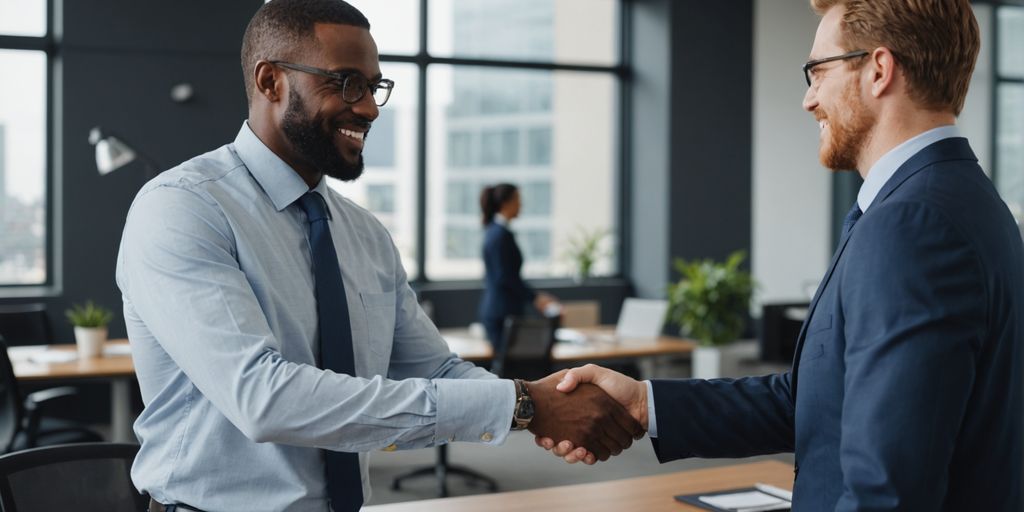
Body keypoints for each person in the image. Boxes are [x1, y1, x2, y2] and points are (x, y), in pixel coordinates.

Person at [116, 1, 642, 511]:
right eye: (345, 83)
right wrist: (522, 405)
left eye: (374, 87)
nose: (368, 108)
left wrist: (533, 402)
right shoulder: (183, 208)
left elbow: (434, 368)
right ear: (271, 81)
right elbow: (263, 398)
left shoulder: (363, 234)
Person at [540, 1, 1023, 510]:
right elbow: (822, 401)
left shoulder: (911, 225)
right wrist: (645, 404)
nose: (809, 99)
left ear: (879, 70)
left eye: (818, 71)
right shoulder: (966, 201)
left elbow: (887, 492)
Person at [478, 183, 557, 367]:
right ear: (506, 203)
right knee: (510, 367)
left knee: (512, 365)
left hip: (500, 309)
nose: (521, 205)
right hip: (502, 312)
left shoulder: (496, 231)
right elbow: (505, 277)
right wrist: (535, 298)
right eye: (518, 200)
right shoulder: (500, 235)